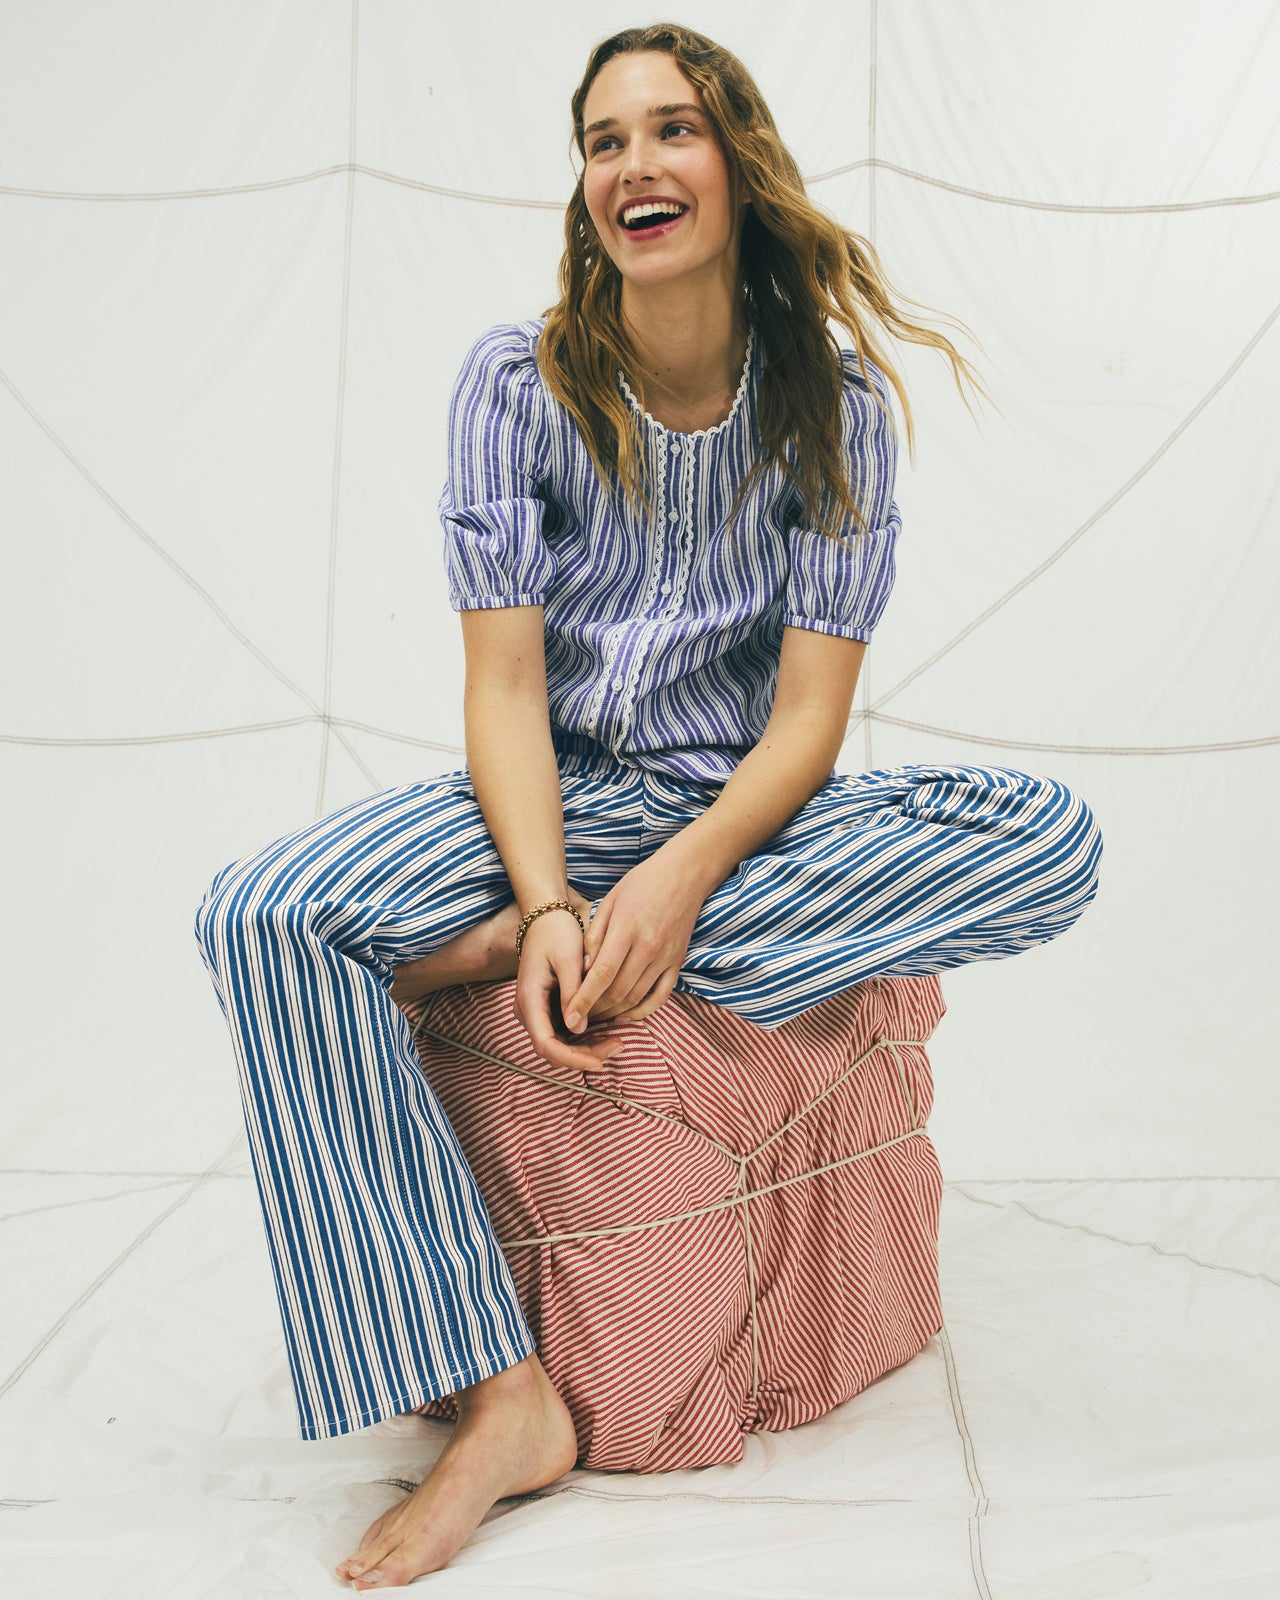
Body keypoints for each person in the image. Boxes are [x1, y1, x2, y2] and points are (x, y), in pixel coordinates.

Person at [194, 21, 1102, 1590]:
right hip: (548, 802)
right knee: (258, 913)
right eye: (603, 141)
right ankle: (502, 1398)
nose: (632, 166)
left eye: (669, 131)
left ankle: (502, 951)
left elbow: (809, 727)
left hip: (741, 818)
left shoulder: (837, 407)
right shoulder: (516, 383)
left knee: (1050, 834)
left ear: (735, 167)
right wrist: (548, 900)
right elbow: (501, 694)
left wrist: (678, 882)